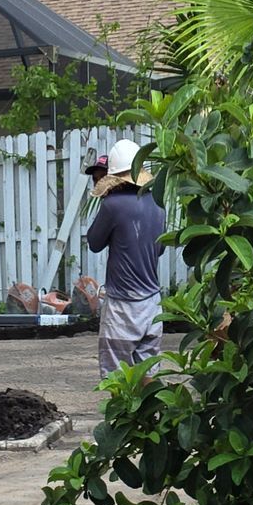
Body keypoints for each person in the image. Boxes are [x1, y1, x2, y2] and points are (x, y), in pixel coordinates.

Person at [86, 138, 167, 375]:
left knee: (117, 375)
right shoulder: (158, 204)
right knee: (148, 372)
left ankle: (123, 414)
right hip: (152, 304)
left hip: (122, 307)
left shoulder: (112, 205)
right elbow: (159, 249)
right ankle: (151, 412)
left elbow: (94, 243)